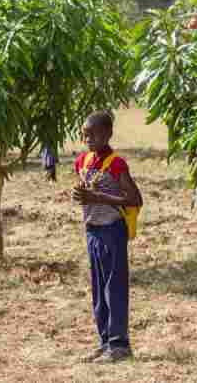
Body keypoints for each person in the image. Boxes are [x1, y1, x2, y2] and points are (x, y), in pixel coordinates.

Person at [71, 111, 143, 364]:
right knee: (99, 291)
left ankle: (120, 345)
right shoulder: (82, 161)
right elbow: (85, 191)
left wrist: (98, 198)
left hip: (112, 230)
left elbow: (135, 199)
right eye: (84, 134)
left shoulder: (116, 164)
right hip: (92, 230)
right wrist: (81, 193)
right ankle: (105, 342)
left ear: (108, 133)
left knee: (115, 288)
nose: (88, 138)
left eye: (93, 134)